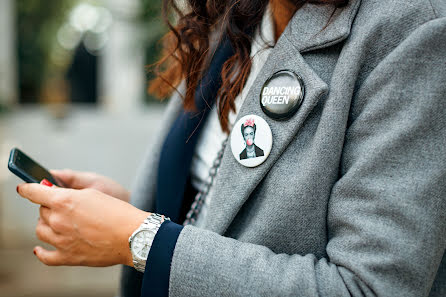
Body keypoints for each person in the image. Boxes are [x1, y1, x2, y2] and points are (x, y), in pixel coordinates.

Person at [16, 0, 446, 296]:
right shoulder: (235, 20)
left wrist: (140, 239)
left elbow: (365, 287)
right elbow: (222, 205)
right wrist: (126, 213)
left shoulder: (415, 30)